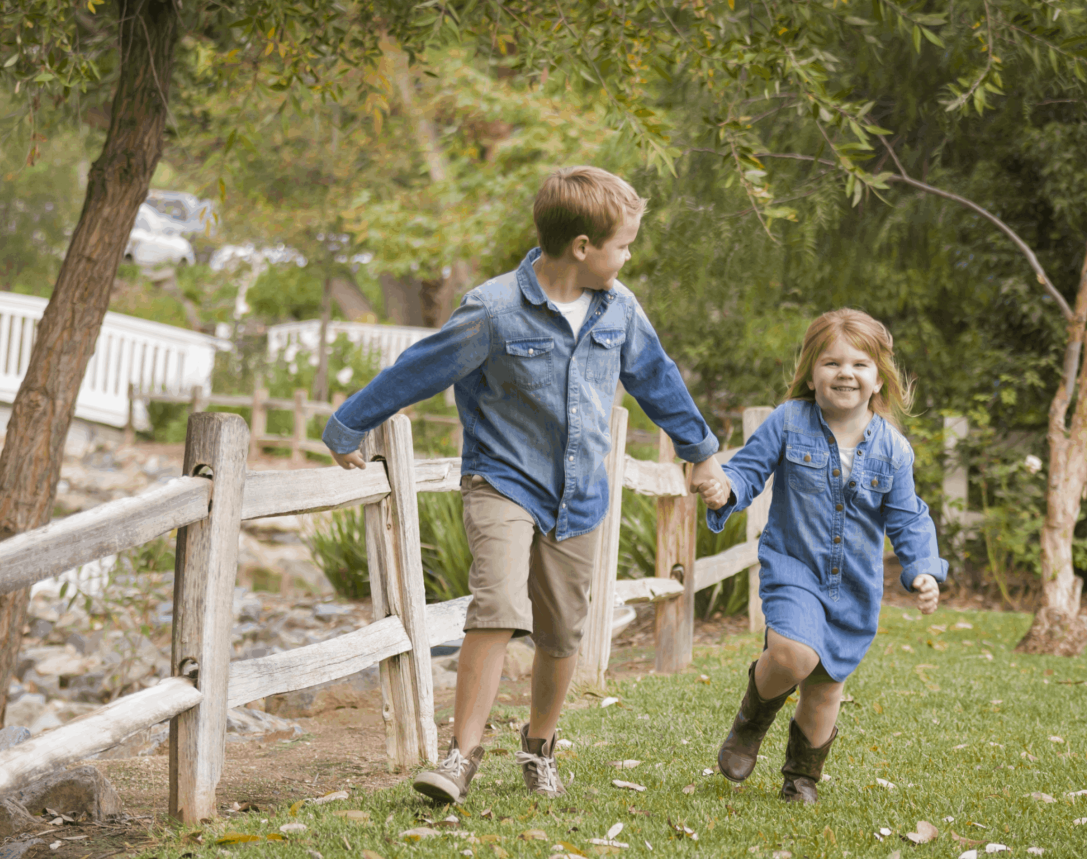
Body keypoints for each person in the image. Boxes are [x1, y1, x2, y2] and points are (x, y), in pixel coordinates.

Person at [322, 165, 730, 805]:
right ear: (583, 248)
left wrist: (701, 453)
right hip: (502, 480)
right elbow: (421, 368)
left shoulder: (619, 309)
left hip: (580, 493)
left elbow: (658, 379)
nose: (628, 256)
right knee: (498, 606)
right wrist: (350, 422)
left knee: (563, 629)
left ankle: (538, 747)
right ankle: (460, 757)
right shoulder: (494, 310)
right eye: (623, 244)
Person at [696, 308, 946, 803]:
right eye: (831, 363)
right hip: (794, 566)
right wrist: (725, 489)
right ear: (811, 375)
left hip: (854, 583)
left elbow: (908, 517)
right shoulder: (788, 422)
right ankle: (751, 720)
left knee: (826, 685)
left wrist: (922, 569)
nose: (845, 373)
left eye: (859, 364)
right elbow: (748, 471)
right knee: (793, 654)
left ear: (879, 379)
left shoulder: (894, 450)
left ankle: (801, 778)